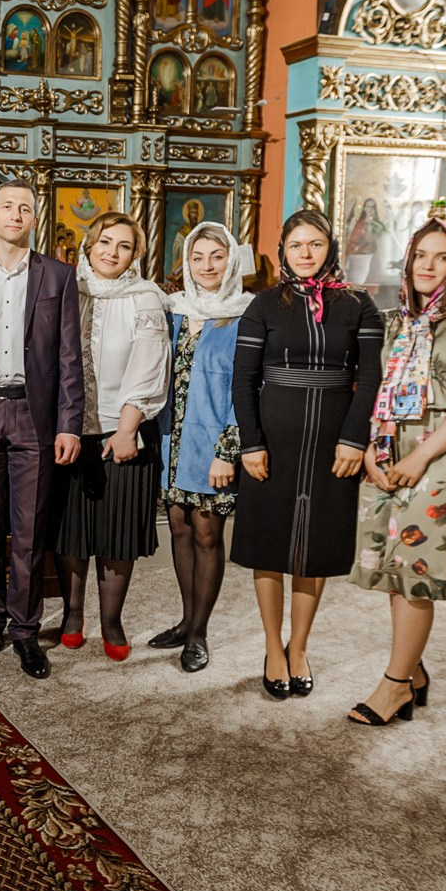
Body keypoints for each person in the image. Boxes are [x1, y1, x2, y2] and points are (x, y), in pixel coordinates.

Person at [347, 218, 446, 726]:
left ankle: (394, 686)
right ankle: (413, 671)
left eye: (442, 257)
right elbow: (368, 387)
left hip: (442, 451)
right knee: (395, 569)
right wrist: (369, 449)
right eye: (421, 255)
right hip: (388, 446)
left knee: (417, 568)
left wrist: (420, 458)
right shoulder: (390, 322)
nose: (429, 266)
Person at [233, 209, 384, 700]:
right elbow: (243, 379)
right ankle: (272, 647)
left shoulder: (359, 306)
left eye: (315, 244)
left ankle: (298, 647)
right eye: (296, 245)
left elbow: (371, 379)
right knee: (269, 543)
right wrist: (251, 443)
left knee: (313, 547)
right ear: (283, 250)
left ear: (330, 249)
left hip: (333, 444)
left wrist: (354, 439)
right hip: (272, 441)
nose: (305, 253)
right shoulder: (262, 306)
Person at [0, 181, 84, 680]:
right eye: (7, 206)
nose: (15, 214)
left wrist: (70, 424)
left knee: (29, 531)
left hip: (35, 413)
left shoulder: (58, 276)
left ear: (34, 219)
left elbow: (70, 356)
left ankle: (25, 631)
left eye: (25, 208)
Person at [49, 211, 170, 661]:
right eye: (104, 242)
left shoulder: (145, 298)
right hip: (69, 429)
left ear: (135, 254)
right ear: (89, 245)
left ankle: (112, 620)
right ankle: (72, 616)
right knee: (70, 528)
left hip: (125, 431)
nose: (112, 252)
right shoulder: (67, 289)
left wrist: (127, 428)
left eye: (124, 245)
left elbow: (150, 364)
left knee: (117, 533)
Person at [155, 222, 254, 673]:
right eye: (198, 257)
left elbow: (247, 389)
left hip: (212, 445)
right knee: (178, 528)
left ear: (231, 260)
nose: (207, 265)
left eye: (217, 256)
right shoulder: (173, 311)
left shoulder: (245, 316)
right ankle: (185, 619)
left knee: (207, 534)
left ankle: (199, 633)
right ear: (186, 262)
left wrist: (228, 451)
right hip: (170, 441)